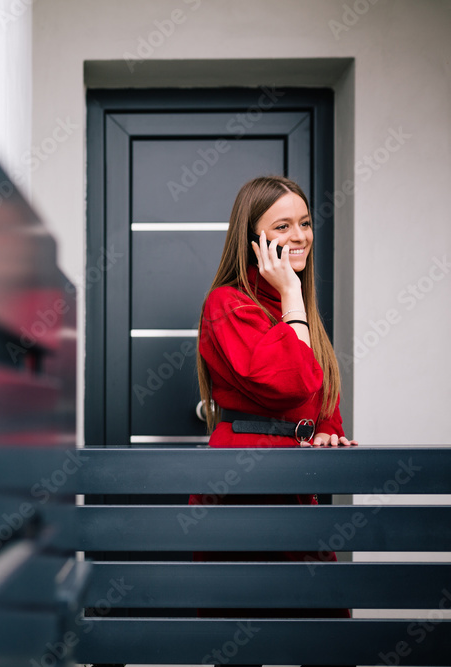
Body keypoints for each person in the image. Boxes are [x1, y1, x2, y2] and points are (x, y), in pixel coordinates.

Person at [190, 175, 356, 667]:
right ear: (253, 240)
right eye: (282, 225)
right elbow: (290, 383)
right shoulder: (227, 304)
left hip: (295, 491)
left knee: (325, 636)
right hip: (239, 490)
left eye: (305, 223)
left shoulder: (300, 309)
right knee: (239, 644)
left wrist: (329, 432)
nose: (300, 236)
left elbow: (321, 397)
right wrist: (290, 299)